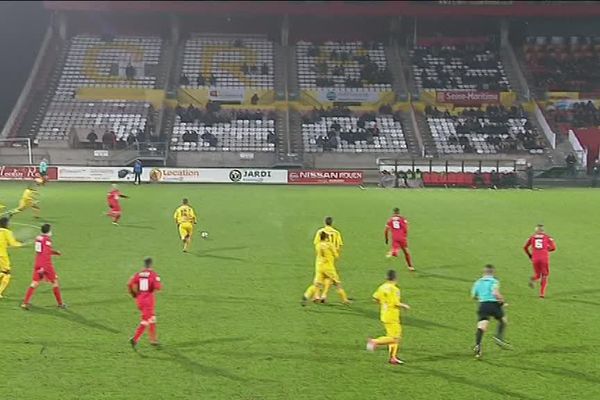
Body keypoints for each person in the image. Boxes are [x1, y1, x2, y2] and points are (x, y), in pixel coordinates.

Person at [366, 269, 410, 365]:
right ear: (395, 278)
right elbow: (395, 303)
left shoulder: (382, 287)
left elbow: (375, 298)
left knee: (392, 336)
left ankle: (393, 358)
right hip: (392, 316)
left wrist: (383, 303)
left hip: (384, 314)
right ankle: (374, 342)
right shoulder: (395, 289)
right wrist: (404, 306)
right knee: (395, 338)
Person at [21, 224, 65, 309]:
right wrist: (43, 267)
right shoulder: (47, 240)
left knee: (34, 282)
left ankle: (25, 303)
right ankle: (60, 304)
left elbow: (41, 251)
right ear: (48, 231)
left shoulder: (38, 238)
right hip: (46, 265)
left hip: (38, 262)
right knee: (54, 282)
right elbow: (45, 253)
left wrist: (55, 252)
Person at [471, 264, 510, 359]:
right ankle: (498, 337)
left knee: (482, 327)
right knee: (503, 321)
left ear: (484, 272)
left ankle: (478, 345)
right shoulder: (494, 281)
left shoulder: (477, 282)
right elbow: (495, 293)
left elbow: (473, 296)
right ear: (492, 272)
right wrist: (502, 301)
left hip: (483, 305)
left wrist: (481, 298)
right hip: (493, 304)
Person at [302, 231, 350, 306]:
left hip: (320, 267)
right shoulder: (330, 245)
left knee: (317, 285)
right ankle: (344, 299)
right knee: (337, 284)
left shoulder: (318, 245)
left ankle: (306, 295)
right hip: (329, 267)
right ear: (327, 237)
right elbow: (336, 255)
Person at [128, 257, 162, 349]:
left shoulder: (138, 274)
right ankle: (135, 338)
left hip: (140, 299)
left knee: (152, 318)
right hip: (148, 300)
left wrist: (134, 294)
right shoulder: (153, 274)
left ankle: (153, 340)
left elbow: (130, 284)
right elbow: (158, 287)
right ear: (151, 264)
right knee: (146, 320)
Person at [311, 216, 345, 303]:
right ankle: (324, 295)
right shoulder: (336, 233)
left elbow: (316, 243)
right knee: (329, 277)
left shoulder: (320, 232)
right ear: (332, 223)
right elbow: (339, 245)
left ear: (325, 222)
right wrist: (336, 255)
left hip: (321, 258)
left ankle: (317, 295)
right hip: (331, 257)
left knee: (319, 276)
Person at [523, 224, 556, 298]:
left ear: (536, 230)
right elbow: (554, 248)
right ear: (543, 230)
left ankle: (533, 279)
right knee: (545, 275)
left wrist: (530, 255)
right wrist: (546, 249)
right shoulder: (548, 237)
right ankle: (542, 294)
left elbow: (525, 247)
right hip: (544, 258)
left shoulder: (531, 237)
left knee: (538, 275)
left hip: (535, 258)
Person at [0, 217, 23, 299]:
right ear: (5, 224)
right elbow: (12, 243)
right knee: (7, 274)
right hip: (2, 255)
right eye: (8, 222)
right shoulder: (7, 232)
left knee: (3, 272)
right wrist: (20, 244)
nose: (10, 224)